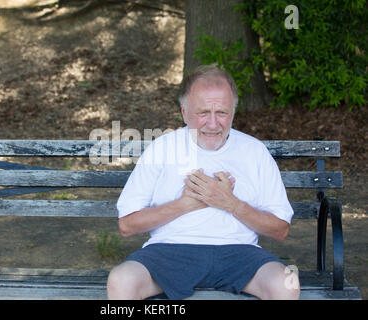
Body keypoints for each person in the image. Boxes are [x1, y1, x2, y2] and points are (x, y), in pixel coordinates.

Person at [107, 64, 300, 300]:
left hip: (240, 254)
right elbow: (127, 225)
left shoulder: (254, 151)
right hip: (168, 253)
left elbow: (280, 230)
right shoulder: (162, 148)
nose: (212, 123)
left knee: (286, 284)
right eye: (202, 113)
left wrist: (231, 204)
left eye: (222, 113)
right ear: (184, 112)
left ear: (233, 113)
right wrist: (187, 203)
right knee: (121, 280)